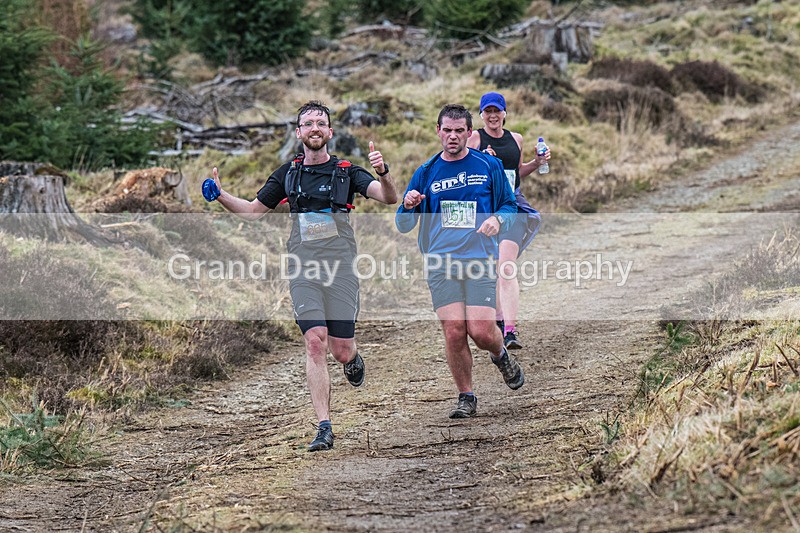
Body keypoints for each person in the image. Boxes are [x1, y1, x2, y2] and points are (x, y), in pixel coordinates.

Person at [204, 100, 398, 451]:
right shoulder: (287, 175)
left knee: (340, 351)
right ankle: (324, 426)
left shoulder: (346, 171)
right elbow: (251, 212)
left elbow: (388, 198)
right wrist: (220, 195)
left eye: (320, 123)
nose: (314, 129)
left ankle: (353, 358)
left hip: (341, 270)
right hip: (303, 268)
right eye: (307, 124)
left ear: (329, 132)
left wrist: (383, 173)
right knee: (314, 341)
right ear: (298, 132)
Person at [395, 103, 524, 419]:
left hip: (478, 257)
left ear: (469, 132)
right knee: (454, 330)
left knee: (480, 331)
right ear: (438, 131)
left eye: (459, 131)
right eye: (447, 130)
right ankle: (466, 396)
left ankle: (500, 353)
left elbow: (509, 206)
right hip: (440, 263)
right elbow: (402, 224)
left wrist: (496, 219)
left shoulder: (487, 166)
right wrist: (408, 205)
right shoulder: (425, 173)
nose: (452, 136)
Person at [466, 91, 549, 350]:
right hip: (485, 212)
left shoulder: (516, 139)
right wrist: (484, 160)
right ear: (481, 115)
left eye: (497, 111)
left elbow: (516, 172)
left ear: (504, 113)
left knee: (506, 267)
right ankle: (500, 324)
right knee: (492, 269)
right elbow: (465, 170)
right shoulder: (474, 138)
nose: (492, 116)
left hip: (512, 207)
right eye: (487, 111)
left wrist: (536, 162)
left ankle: (510, 331)